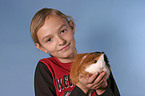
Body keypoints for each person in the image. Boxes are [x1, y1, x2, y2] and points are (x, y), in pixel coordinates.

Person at [30, 8, 120, 96]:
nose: (61, 42)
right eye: (49, 39)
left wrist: (102, 88)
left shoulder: (96, 60)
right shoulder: (46, 68)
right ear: (41, 47)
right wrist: (82, 88)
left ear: (72, 27)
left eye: (62, 31)